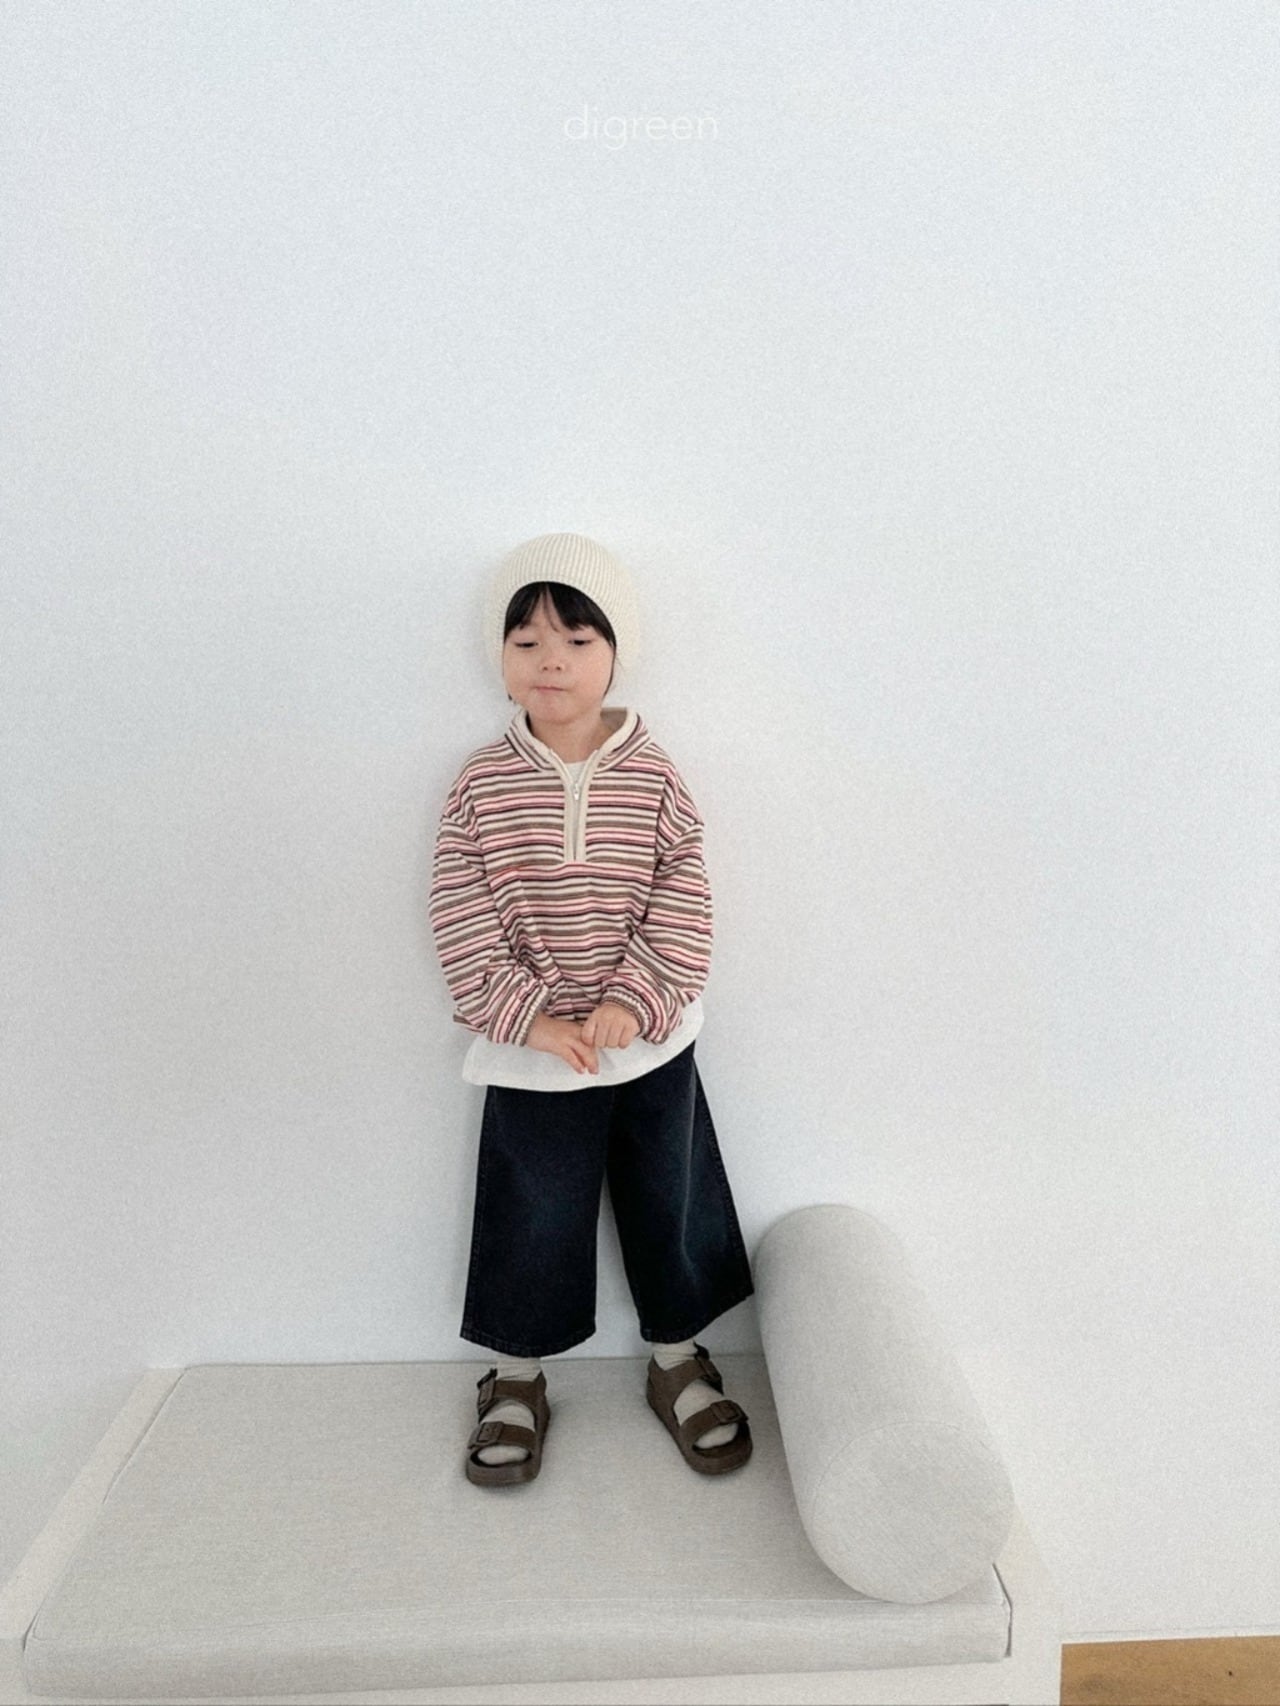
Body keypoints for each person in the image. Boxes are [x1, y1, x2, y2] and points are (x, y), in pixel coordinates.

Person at [429, 531, 755, 1486]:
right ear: (499, 656)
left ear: (617, 653)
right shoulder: (481, 784)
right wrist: (528, 1017)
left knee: (669, 1196)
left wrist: (635, 999)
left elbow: (685, 891)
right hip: (534, 1053)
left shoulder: (654, 774)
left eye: (576, 639)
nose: (551, 661)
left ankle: (677, 1357)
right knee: (532, 1210)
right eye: (526, 641)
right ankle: (517, 1376)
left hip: (648, 1046)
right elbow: (460, 908)